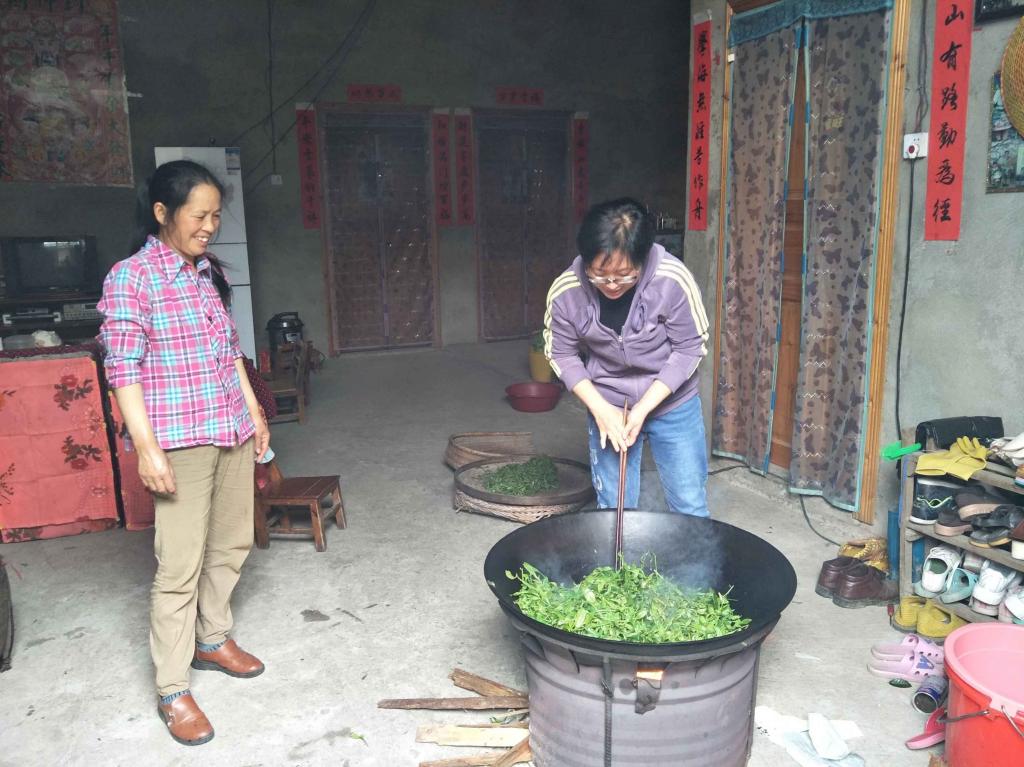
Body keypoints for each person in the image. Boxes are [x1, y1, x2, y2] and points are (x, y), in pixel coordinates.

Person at [99, 160, 270, 746]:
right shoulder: (133, 277)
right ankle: (173, 689)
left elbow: (229, 351)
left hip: (230, 428)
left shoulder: (203, 273)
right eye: (199, 215)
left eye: (216, 215)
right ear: (162, 212)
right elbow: (122, 368)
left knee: (232, 542)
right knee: (179, 567)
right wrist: (147, 450)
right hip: (180, 441)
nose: (210, 226)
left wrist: (254, 413)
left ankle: (212, 638)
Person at [544, 198, 710, 516]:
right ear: (585, 260)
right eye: (599, 275)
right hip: (608, 403)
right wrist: (601, 409)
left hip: (672, 402)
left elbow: (690, 347)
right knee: (614, 507)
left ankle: (694, 551)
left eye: (624, 275)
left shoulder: (672, 279)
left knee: (689, 502)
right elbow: (561, 353)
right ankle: (619, 552)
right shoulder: (566, 290)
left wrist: (643, 408)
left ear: (642, 259)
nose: (611, 285)